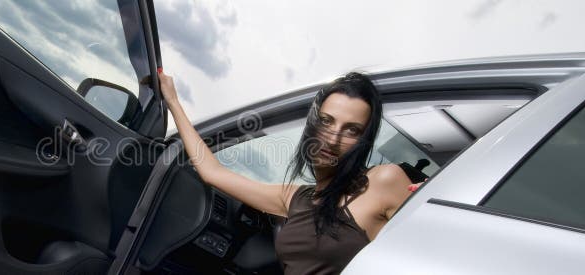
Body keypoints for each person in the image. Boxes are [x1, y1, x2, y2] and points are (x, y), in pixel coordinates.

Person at [159, 71, 416, 275]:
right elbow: (212, 172)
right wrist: (172, 101)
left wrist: (433, 200)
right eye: (326, 121)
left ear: (364, 140)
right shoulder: (294, 197)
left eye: (352, 130)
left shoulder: (383, 182)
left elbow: (422, 256)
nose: (333, 139)